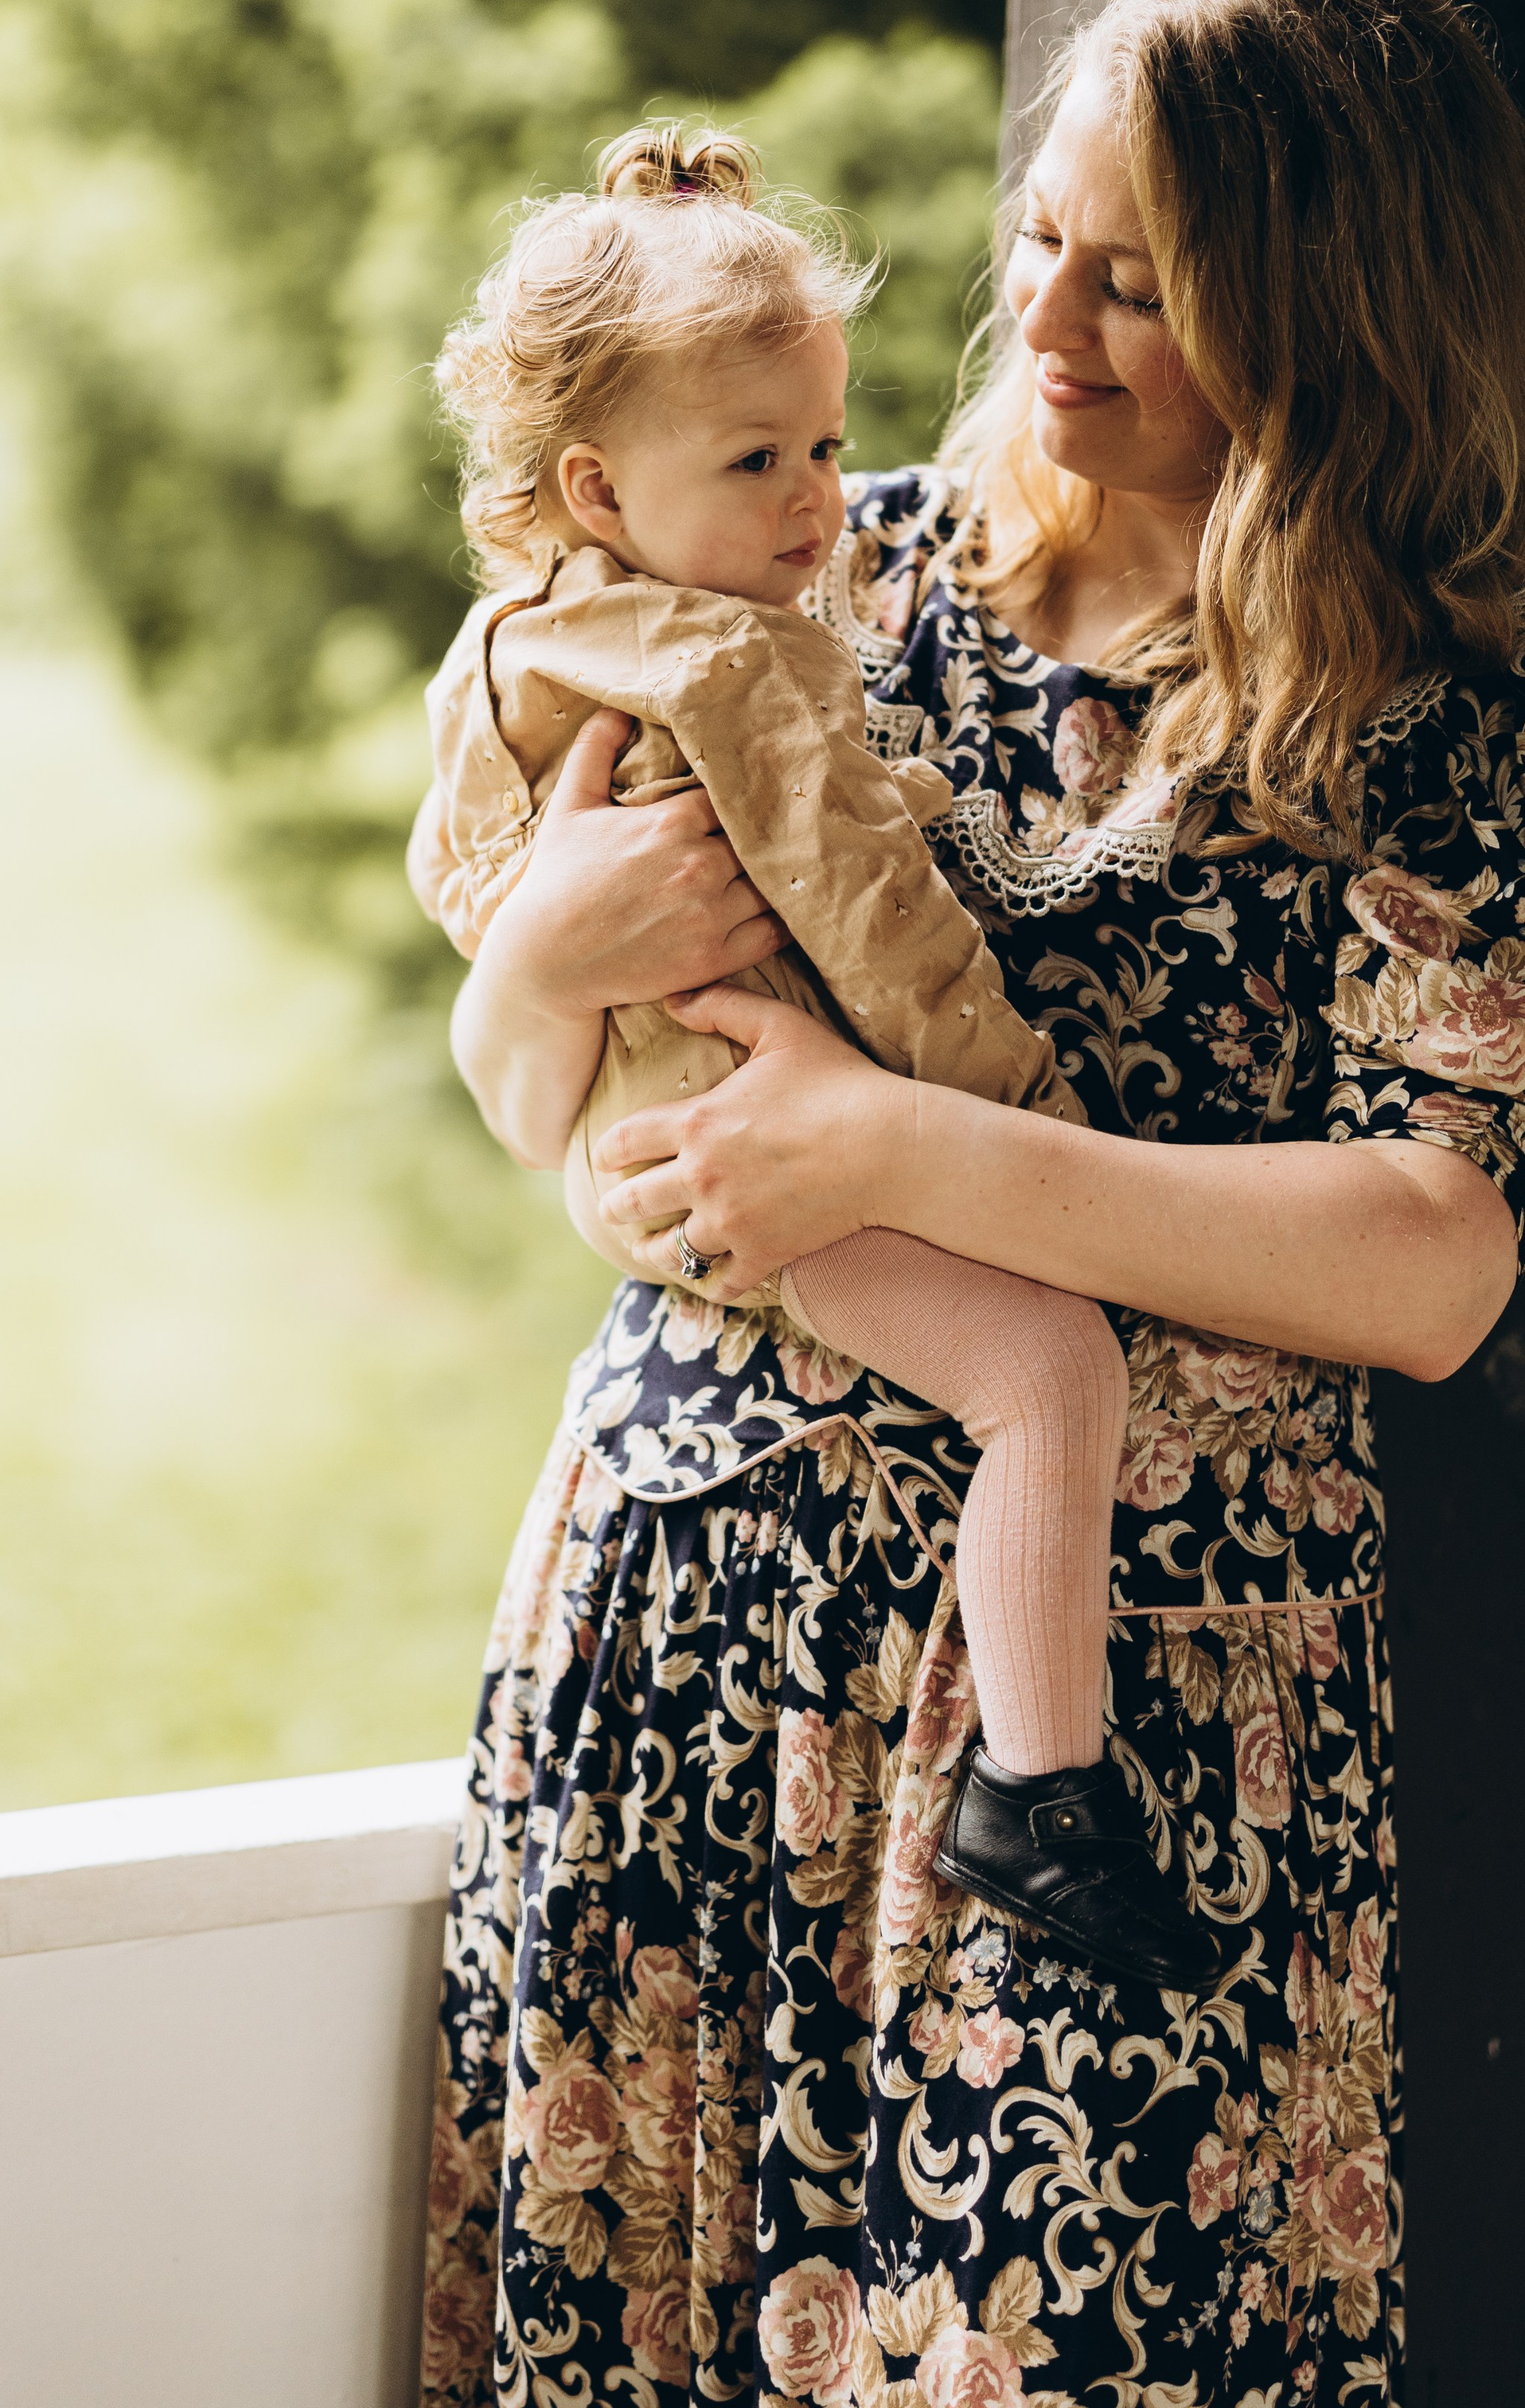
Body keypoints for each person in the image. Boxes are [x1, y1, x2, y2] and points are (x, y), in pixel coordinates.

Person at [416, 0, 1525, 2408]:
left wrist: (897, 1147)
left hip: (1114, 1720)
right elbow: (562, 1080)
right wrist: (549, 990)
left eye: (1152, 283)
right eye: (1046, 248)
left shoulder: (1494, 681)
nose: (1062, 324)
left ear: (1340, 308)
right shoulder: (819, 568)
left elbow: (1431, 1259)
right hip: (691, 1633)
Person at [408, 119, 1219, 1988]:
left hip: (653, 1138)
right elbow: (866, 911)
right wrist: (999, 1106)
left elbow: (454, 861)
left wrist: (537, 935)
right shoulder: (736, 664)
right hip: (749, 1146)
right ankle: (1040, 1791)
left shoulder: (512, 642)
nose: (817, 500)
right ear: (599, 482)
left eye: (831, 446)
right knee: (1044, 1363)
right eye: (758, 459)